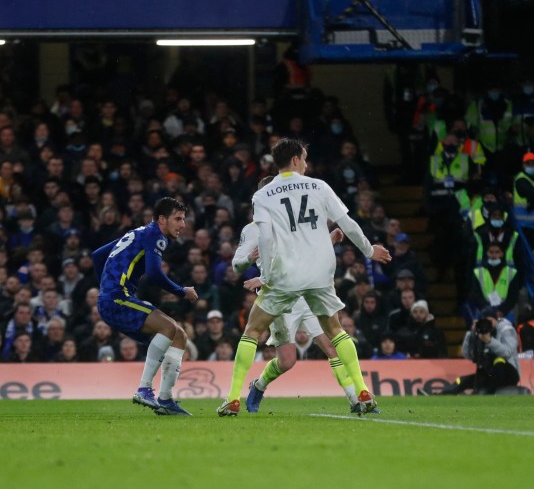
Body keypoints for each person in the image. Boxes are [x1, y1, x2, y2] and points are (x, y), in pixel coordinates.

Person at [217, 138, 391, 417]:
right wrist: (369, 251)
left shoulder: (263, 196)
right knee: (336, 332)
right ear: (296, 159)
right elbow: (347, 223)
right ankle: (362, 391)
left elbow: (267, 238)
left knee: (252, 331)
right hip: (320, 276)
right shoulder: (319, 186)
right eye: (305, 158)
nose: (307, 163)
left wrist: (268, 276)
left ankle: (233, 398)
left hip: (285, 278)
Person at [233, 176, 364, 414]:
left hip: (306, 295)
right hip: (280, 298)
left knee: (331, 344)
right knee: (287, 361)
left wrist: (328, 240)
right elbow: (236, 264)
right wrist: (249, 261)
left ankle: (356, 399)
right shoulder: (253, 230)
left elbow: (307, 255)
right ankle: (259, 385)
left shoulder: (296, 224)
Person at [91, 197, 199, 416]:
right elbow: (154, 274)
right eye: (177, 219)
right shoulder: (155, 236)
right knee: (168, 328)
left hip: (113, 297)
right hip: (116, 298)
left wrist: (104, 286)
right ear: (162, 219)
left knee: (179, 335)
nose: (182, 225)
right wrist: (181, 291)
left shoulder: (139, 232)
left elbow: (98, 256)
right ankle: (144, 388)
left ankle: (166, 399)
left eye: (183, 219)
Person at [434, 308, 520, 395]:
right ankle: (443, 394)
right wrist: (471, 333)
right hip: (489, 373)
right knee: (461, 381)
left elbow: (508, 352)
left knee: (499, 361)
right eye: (484, 321)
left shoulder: (506, 329)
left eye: (490, 320)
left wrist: (490, 341)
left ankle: (485, 393)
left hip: (508, 373)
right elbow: (468, 355)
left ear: (496, 319)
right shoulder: (481, 333)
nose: (488, 324)